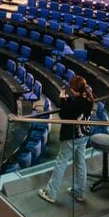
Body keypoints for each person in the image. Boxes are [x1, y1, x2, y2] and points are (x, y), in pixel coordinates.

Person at [38, 75, 94, 205]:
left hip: (72, 136)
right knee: (80, 163)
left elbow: (64, 114)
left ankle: (51, 193)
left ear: (75, 89)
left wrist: (62, 99)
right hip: (83, 135)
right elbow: (73, 108)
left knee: (61, 163)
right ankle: (79, 193)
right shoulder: (88, 98)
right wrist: (68, 100)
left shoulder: (77, 102)